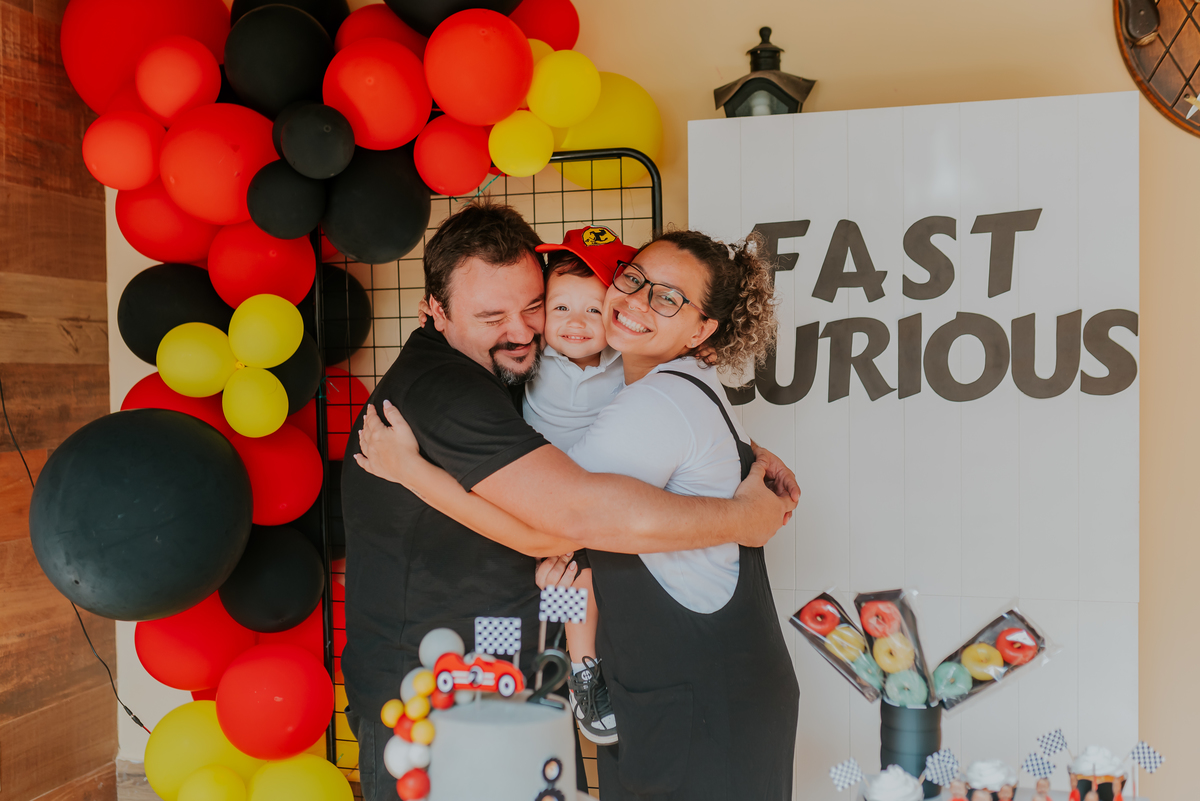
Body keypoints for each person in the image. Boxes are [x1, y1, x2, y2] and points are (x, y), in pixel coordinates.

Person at [340, 202, 797, 801]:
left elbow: (619, 432)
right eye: (491, 316)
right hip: (440, 695)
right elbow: (570, 521)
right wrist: (744, 517)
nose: (524, 330)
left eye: (534, 306)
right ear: (435, 310)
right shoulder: (448, 391)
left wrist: (735, 448)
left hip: (510, 682)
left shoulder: (510, 372)